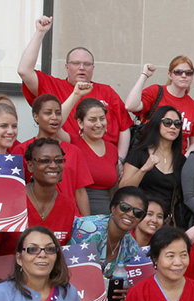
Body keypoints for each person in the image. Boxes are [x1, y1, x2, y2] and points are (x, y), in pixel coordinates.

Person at [18, 16, 132, 157]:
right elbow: (24, 70)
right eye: (76, 63)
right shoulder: (52, 86)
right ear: (67, 67)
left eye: (87, 64)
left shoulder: (107, 91)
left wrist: (119, 159)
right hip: (64, 159)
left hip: (103, 161)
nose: (82, 68)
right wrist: (40, 32)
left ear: (93, 67)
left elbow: (125, 127)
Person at [0, 138, 76, 257]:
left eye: (59, 160)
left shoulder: (68, 206)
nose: (54, 165)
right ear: (30, 166)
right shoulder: (10, 202)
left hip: (47, 273)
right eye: (45, 160)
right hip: (8, 273)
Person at [11, 94, 92, 216]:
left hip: (70, 218)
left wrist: (86, 223)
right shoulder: (21, 149)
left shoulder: (74, 151)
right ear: (36, 116)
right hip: (35, 218)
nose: (54, 117)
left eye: (58, 113)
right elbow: (14, 190)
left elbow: (80, 191)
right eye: (48, 113)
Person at [120, 106, 186, 225]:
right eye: (167, 122)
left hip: (164, 222)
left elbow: (175, 198)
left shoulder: (181, 160)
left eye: (177, 124)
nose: (173, 127)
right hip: (138, 217)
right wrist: (144, 169)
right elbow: (123, 189)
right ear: (156, 124)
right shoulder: (139, 153)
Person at [124, 56, 194, 154]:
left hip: (176, 161)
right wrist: (145, 75)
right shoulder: (156, 92)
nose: (184, 75)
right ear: (170, 75)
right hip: (148, 155)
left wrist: (185, 160)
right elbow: (130, 106)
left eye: (189, 72)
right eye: (178, 72)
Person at [70, 186, 147, 281]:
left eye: (138, 213)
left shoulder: (131, 247)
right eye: (125, 207)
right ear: (113, 208)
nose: (131, 214)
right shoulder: (89, 230)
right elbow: (74, 272)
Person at [71, 98, 120, 215]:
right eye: (92, 120)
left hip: (108, 218)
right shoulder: (72, 143)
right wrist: (75, 94)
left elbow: (114, 189)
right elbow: (55, 125)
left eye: (102, 119)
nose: (98, 124)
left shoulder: (112, 149)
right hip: (80, 217)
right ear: (80, 123)